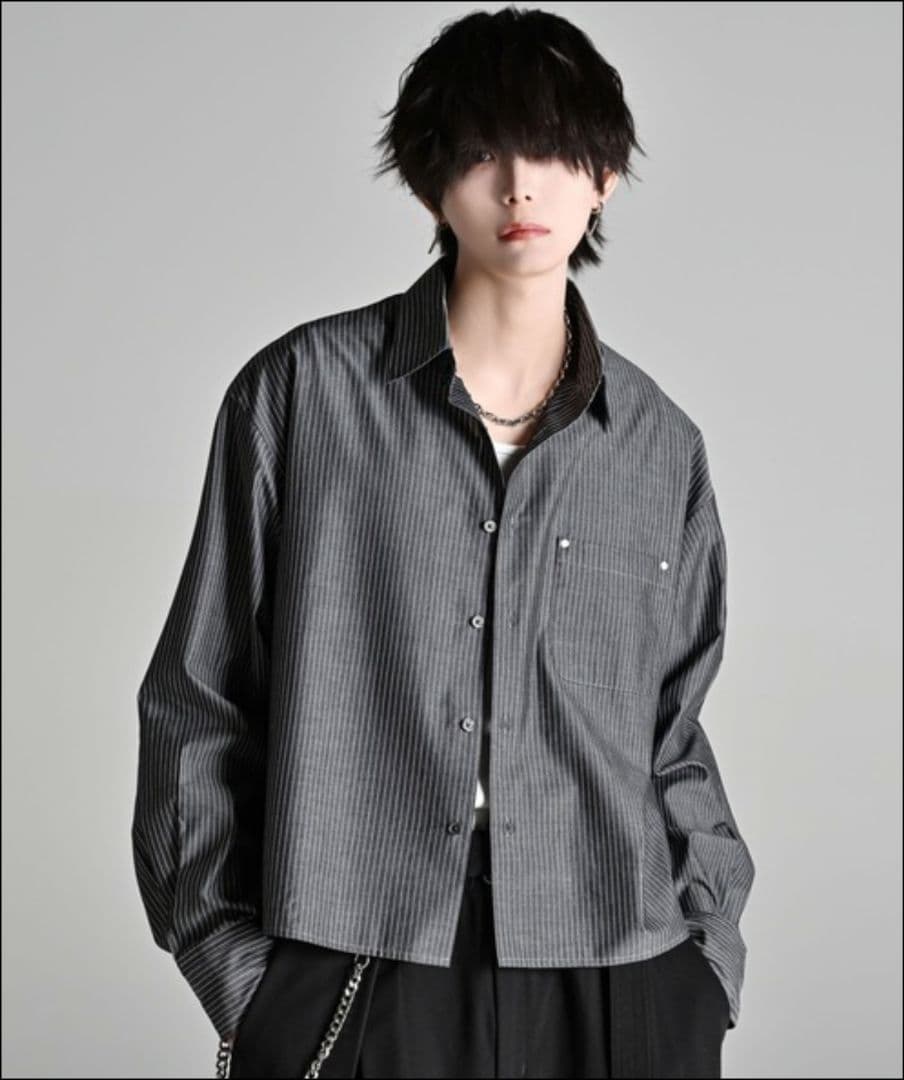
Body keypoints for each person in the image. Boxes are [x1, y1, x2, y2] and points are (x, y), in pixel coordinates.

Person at [132, 6, 755, 1077]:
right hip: (358, 954)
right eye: (480, 152)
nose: (520, 187)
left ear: (604, 177)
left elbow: (673, 733)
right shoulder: (302, 397)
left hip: (619, 965)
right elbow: (199, 697)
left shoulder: (659, 446)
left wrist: (707, 969)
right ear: (429, 184)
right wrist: (240, 975)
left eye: (554, 151)